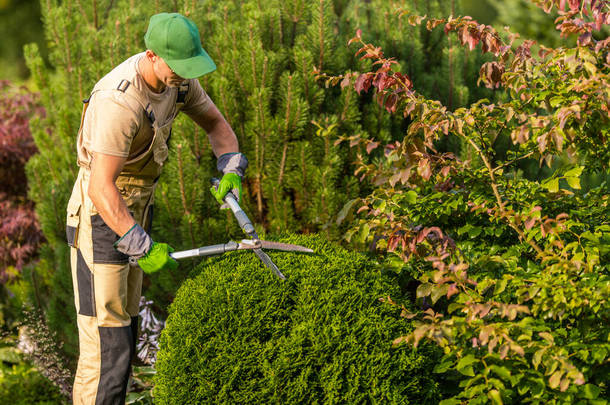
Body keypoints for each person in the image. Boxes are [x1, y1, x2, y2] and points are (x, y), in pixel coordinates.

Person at [64, 12, 248, 404]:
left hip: (135, 211)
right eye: (178, 67)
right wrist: (140, 244)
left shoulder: (179, 84)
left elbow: (217, 126)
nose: (184, 76)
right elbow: (100, 187)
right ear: (152, 55)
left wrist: (230, 167)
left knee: (125, 334)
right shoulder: (119, 101)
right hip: (101, 218)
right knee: (106, 345)